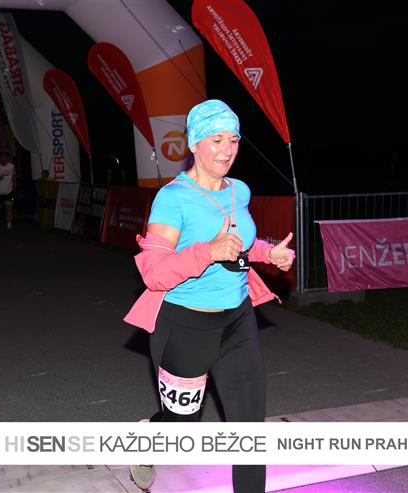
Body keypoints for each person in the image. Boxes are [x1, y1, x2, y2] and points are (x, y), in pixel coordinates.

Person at [124, 100, 295, 493]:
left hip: (237, 321)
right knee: (181, 427)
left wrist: (269, 254)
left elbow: (240, 246)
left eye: (233, 140)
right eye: (216, 139)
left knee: (250, 429)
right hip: (186, 326)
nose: (227, 149)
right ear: (194, 143)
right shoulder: (173, 198)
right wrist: (207, 252)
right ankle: (148, 438)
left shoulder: (240, 190)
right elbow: (154, 273)